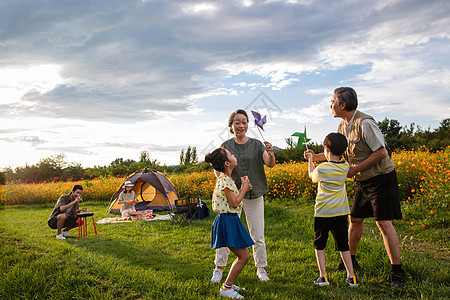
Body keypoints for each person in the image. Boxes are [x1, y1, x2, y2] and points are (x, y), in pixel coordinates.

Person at [304, 87, 404, 288]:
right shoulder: (342, 127)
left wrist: (354, 169)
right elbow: (335, 154)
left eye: (332, 101)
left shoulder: (365, 123)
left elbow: (382, 152)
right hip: (363, 181)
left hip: (382, 178)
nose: (330, 105)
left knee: (383, 223)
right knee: (355, 219)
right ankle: (350, 262)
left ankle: (397, 272)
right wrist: (313, 157)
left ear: (342, 104)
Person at [211, 109, 276, 283]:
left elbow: (269, 164)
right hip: (232, 197)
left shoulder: (256, 144)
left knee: (257, 234)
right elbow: (218, 170)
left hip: (255, 194)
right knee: (226, 235)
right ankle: (219, 268)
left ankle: (261, 268)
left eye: (244, 122)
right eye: (237, 122)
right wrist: (225, 182)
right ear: (231, 126)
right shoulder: (225, 146)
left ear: (249, 124)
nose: (241, 125)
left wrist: (271, 152)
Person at [305, 132, 358, 287]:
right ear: (343, 151)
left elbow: (311, 175)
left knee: (320, 243)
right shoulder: (345, 167)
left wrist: (310, 160)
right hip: (341, 213)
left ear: (326, 149)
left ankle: (323, 277)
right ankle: (351, 277)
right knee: (343, 244)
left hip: (323, 213)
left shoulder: (321, 169)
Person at [205, 147, 254, 299]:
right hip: (228, 221)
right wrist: (244, 189)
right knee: (244, 256)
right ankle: (226, 288)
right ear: (227, 163)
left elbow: (231, 200)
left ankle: (229, 284)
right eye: (231, 154)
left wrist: (241, 188)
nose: (234, 155)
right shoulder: (225, 180)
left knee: (243, 255)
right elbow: (234, 203)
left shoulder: (226, 179)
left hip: (229, 220)